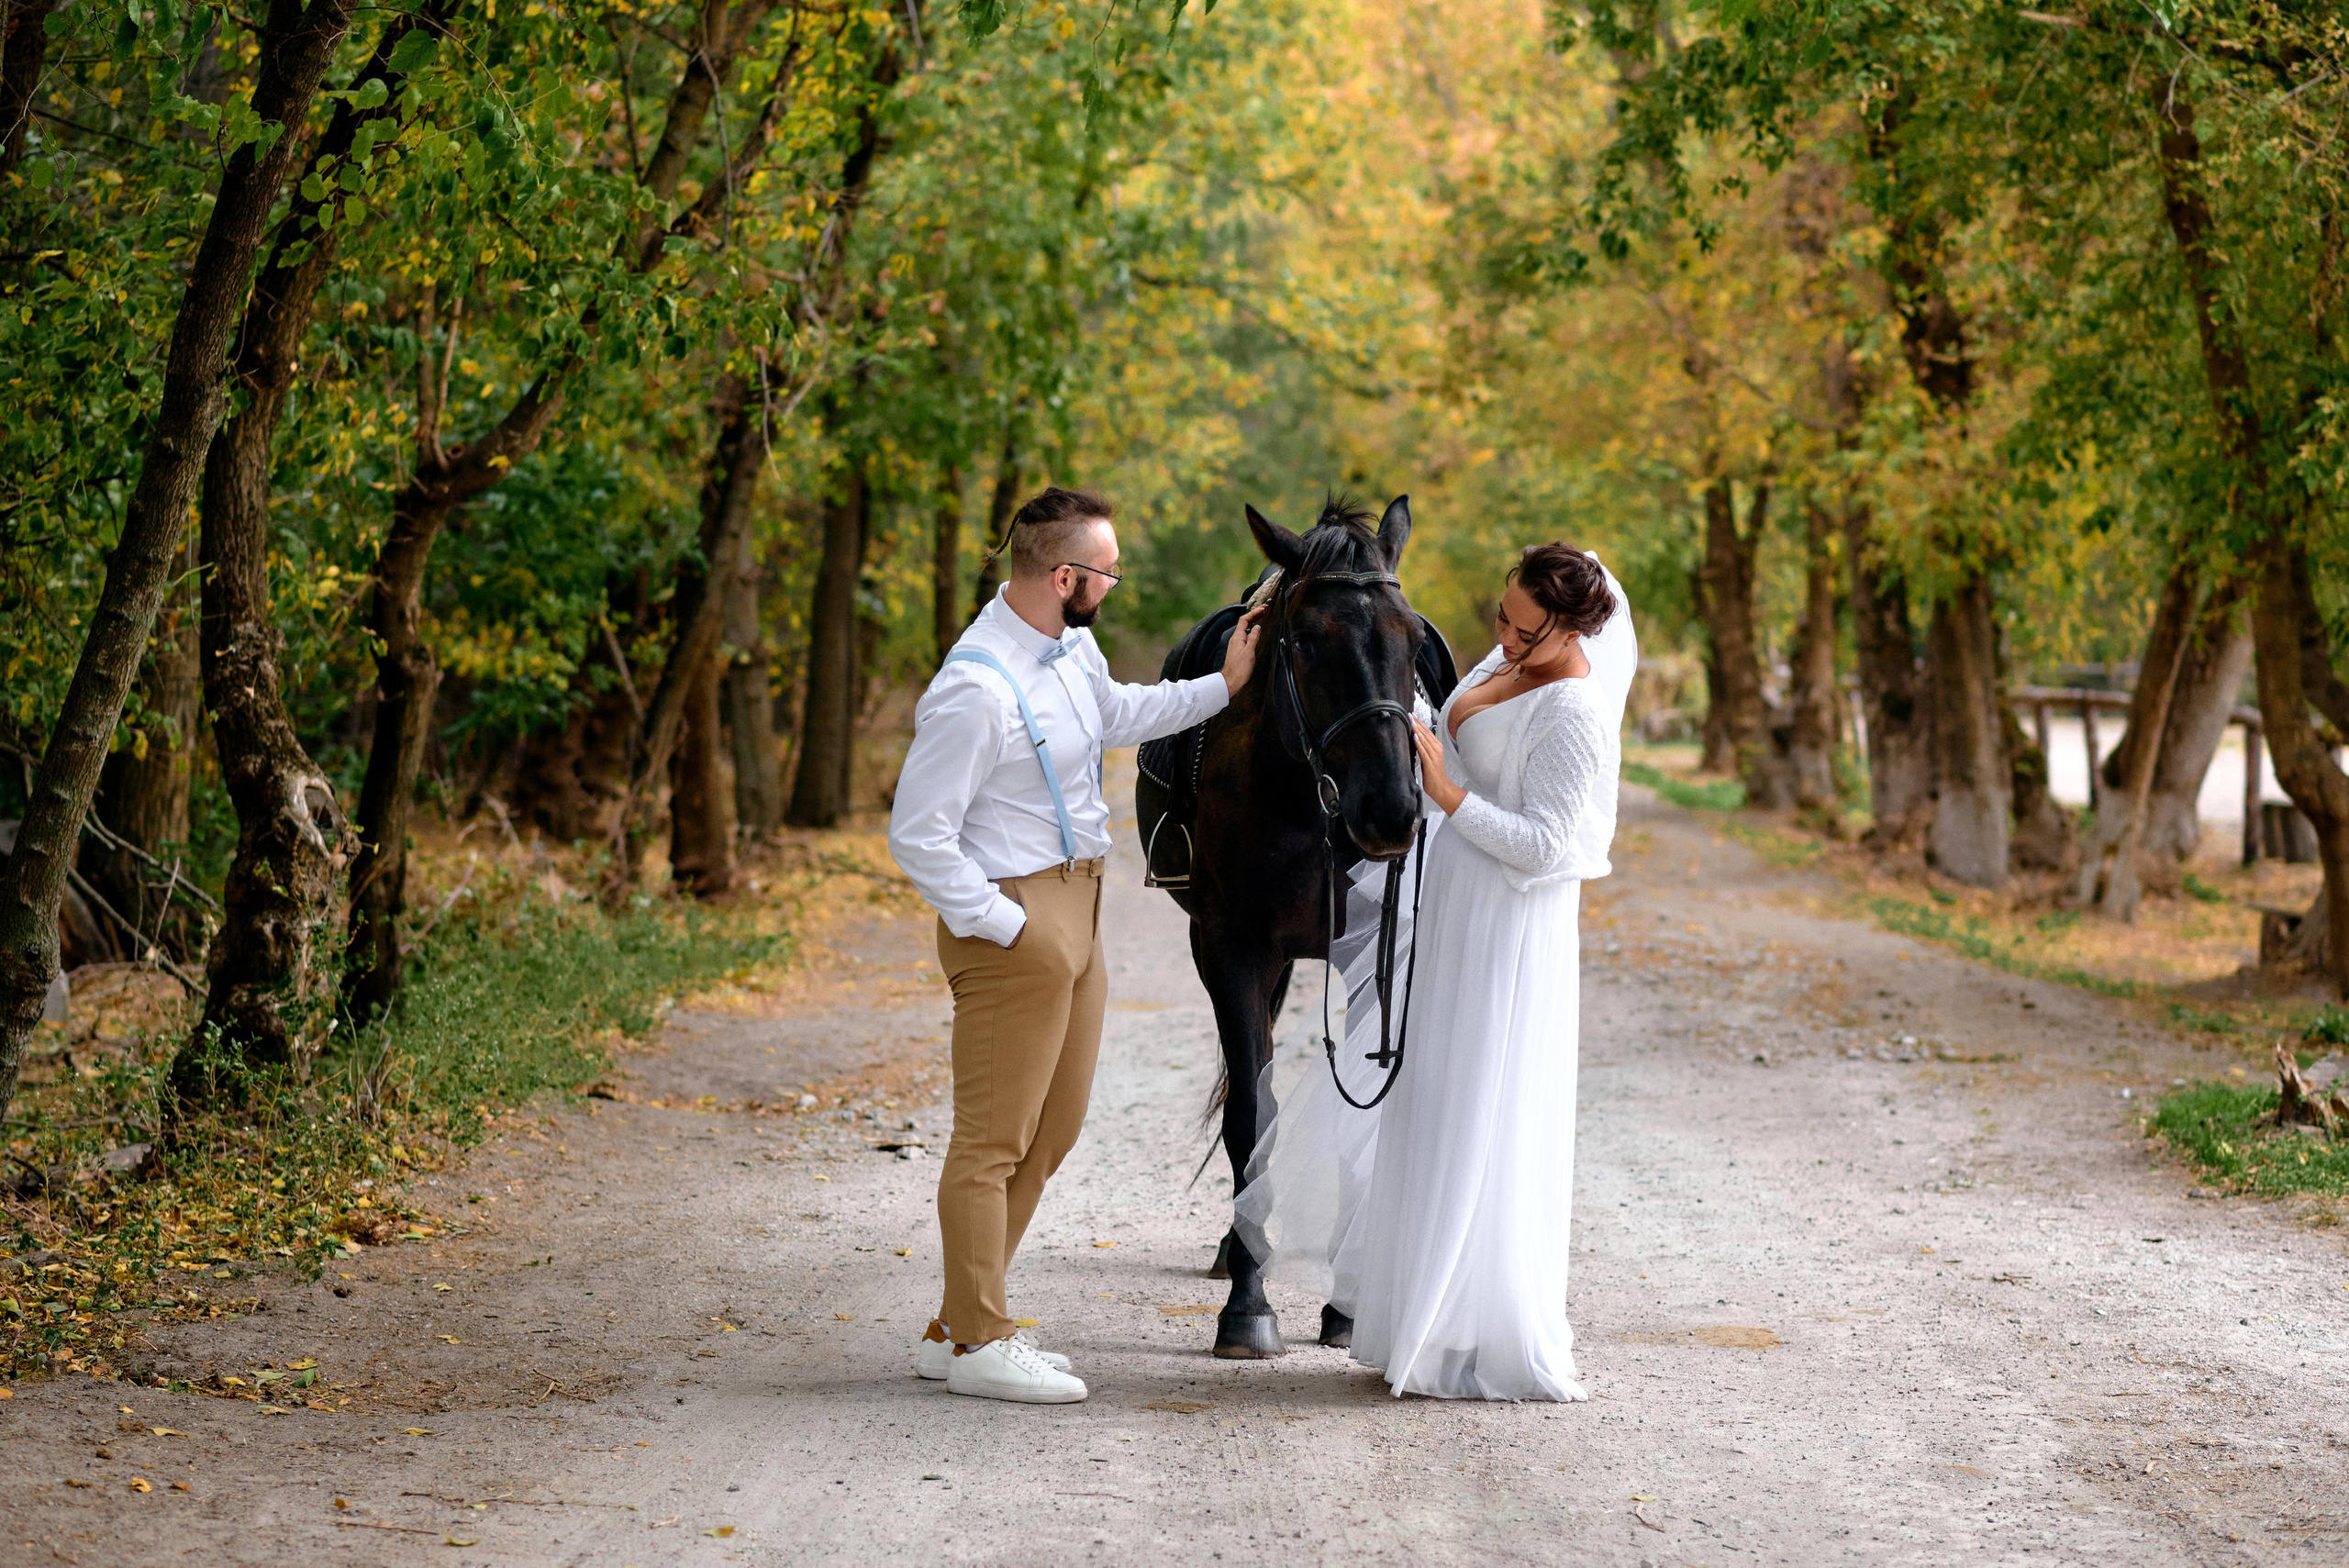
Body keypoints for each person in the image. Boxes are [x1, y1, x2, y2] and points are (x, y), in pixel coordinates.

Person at [888, 485, 1264, 1404]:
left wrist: (1223, 686)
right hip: (1016, 919)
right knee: (991, 1143)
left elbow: (1120, 714)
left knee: (1050, 1134)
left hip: (1080, 908)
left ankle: (953, 1328)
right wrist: (1009, 926)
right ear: (1065, 576)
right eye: (1107, 570)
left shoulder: (1071, 648)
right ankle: (980, 1338)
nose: (1114, 582)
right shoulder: (975, 689)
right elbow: (918, 834)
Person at [1235, 542, 1634, 1400]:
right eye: (1502, 616)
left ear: (1571, 630)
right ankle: (1417, 1313)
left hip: (1505, 928)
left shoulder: (1575, 711)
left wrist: (1451, 799)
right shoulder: (1505, 661)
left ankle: (1476, 1329)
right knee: (1432, 1101)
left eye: (1524, 629)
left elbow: (1550, 846)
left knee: (1481, 1108)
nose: (1504, 637)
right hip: (1451, 908)